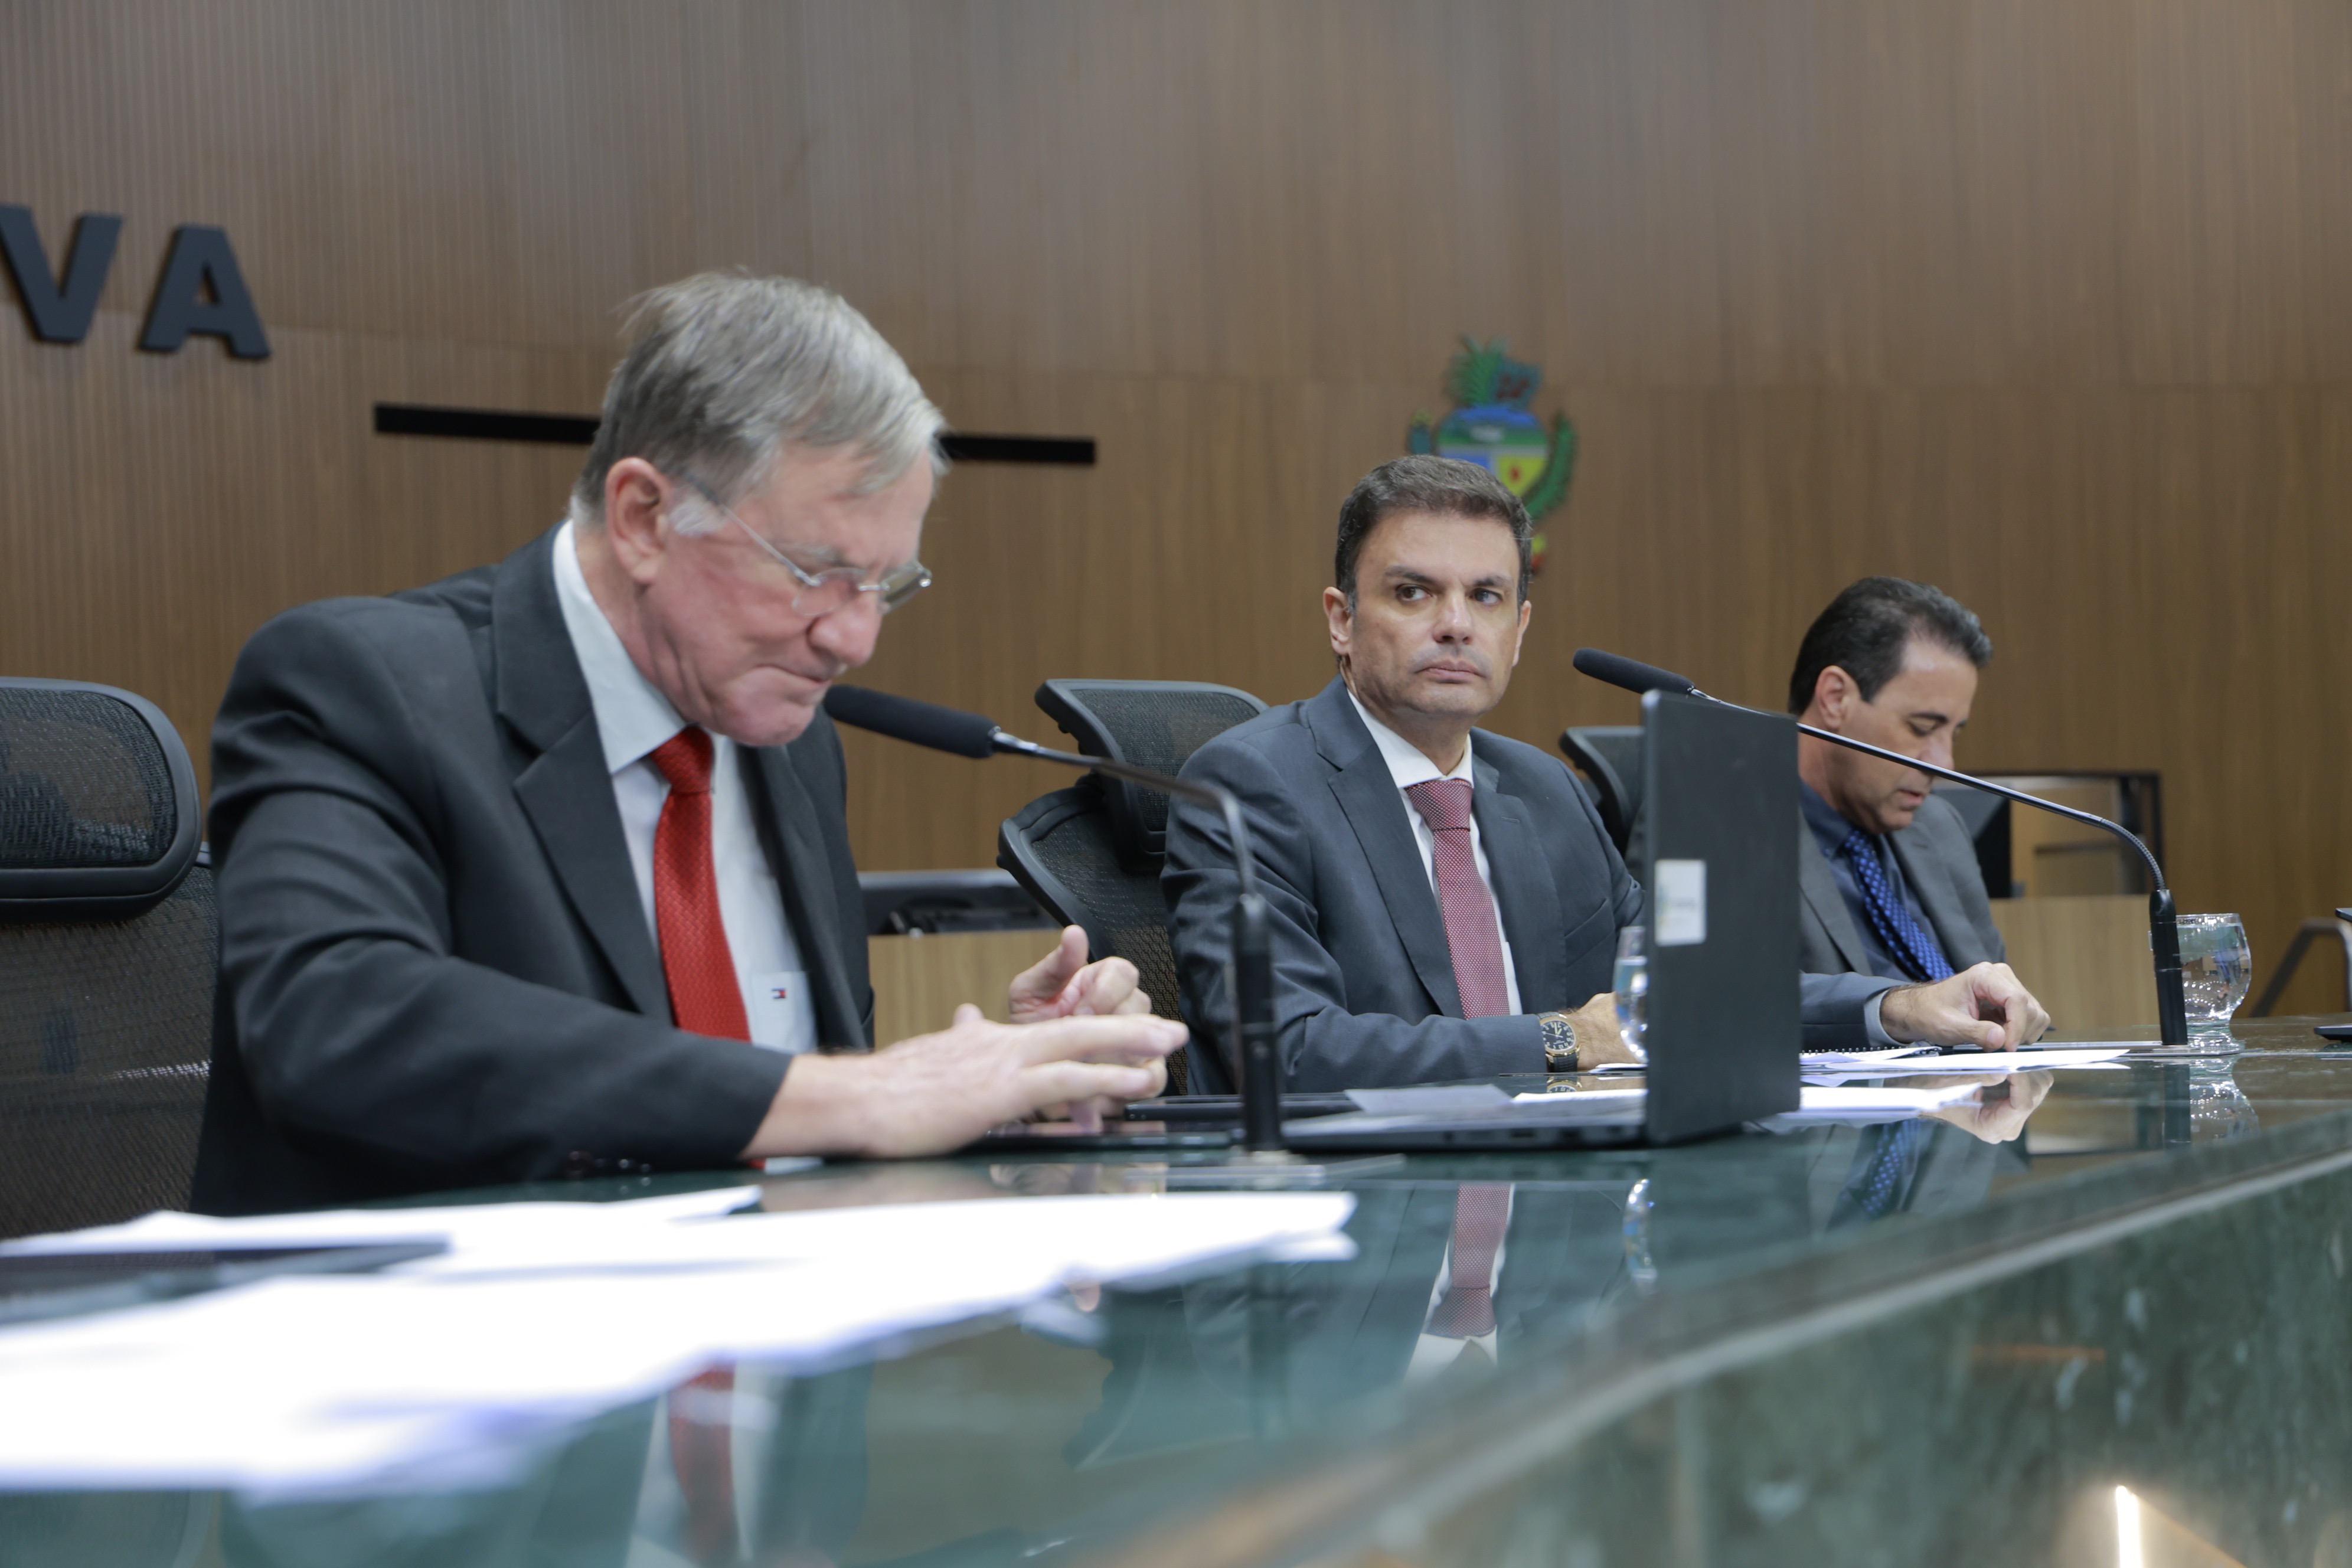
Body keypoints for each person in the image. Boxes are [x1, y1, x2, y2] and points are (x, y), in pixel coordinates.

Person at [191, 275, 1181, 1214]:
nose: (853, 639)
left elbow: (794, 1109)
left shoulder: (790, 740)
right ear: (643, 518)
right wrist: (872, 1095)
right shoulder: (366, 685)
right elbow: (335, 1021)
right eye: (816, 573)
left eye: (885, 586)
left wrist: (1004, 1085)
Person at [1161, 456, 2049, 1093]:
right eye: (1412, 592)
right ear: (1341, 620)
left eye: (1486, 596)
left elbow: (1688, 989)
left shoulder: (1542, 793)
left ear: (1520, 630)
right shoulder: (1251, 785)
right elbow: (1289, 1052)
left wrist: (1898, 1008)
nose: (1456, 624)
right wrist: (1564, 1038)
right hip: (1367, 1239)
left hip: (1556, 1228)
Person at [1788, 577, 2017, 987]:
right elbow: (1727, 995)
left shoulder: (1939, 826)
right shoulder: (1731, 830)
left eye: (1954, 734)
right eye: (1921, 727)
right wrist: (1901, 1008)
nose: (1943, 763)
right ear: (1836, 698)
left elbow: (1997, 994)